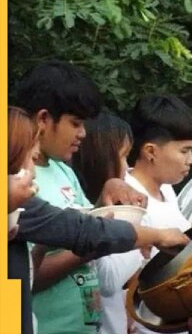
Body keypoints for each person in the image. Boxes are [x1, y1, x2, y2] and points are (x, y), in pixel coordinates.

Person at [7, 106, 189, 334]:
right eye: (31, 159)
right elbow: (86, 232)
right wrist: (156, 235)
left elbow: (25, 278)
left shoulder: (21, 208)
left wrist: (42, 247)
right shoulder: (17, 203)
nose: (33, 172)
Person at [14, 60, 147, 334]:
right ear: (43, 120)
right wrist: (88, 246)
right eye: (75, 123)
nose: (83, 134)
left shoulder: (63, 169)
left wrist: (104, 198)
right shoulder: (16, 183)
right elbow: (22, 279)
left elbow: (84, 222)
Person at [126, 94, 192, 334]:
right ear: (150, 151)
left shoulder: (166, 190)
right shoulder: (128, 200)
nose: (191, 160)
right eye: (184, 151)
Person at [71, 110, 141, 334]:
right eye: (123, 156)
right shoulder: (83, 209)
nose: (127, 167)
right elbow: (110, 279)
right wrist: (141, 238)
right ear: (99, 157)